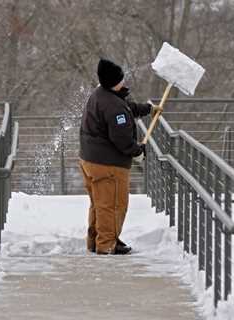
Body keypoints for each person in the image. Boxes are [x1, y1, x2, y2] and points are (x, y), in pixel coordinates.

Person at [79, 58, 161, 255]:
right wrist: (137, 151)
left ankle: (95, 241)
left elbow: (126, 107)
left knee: (99, 204)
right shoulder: (113, 106)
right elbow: (122, 138)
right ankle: (107, 245)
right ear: (113, 81)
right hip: (108, 165)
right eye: (121, 80)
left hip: (89, 159)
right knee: (113, 205)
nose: (124, 82)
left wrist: (147, 109)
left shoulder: (100, 95)